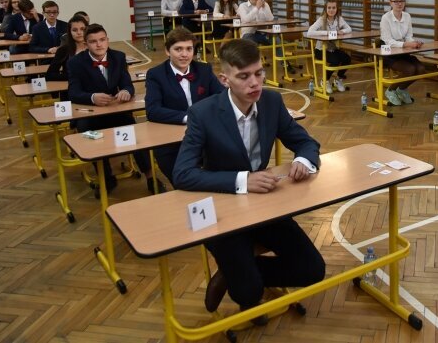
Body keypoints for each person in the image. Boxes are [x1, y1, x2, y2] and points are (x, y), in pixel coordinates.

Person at [172, 39, 325, 319]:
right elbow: (182, 174)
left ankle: (234, 273)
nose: (254, 83)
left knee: (314, 270)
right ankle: (242, 277)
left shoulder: (272, 102)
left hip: (264, 206)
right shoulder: (203, 114)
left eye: (259, 73)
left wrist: (303, 160)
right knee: (248, 294)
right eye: (243, 76)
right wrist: (243, 180)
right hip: (222, 210)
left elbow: (306, 143)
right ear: (225, 79)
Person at [67, 23, 155, 193]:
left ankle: (151, 176)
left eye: (102, 40)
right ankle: (106, 177)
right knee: (87, 134)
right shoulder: (75, 63)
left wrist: (125, 91)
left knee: (135, 133)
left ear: (108, 40)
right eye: (93, 41)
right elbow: (73, 92)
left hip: (116, 110)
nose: (99, 45)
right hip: (91, 114)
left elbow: (128, 84)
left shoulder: (118, 57)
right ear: (86, 44)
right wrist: (92, 97)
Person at [145, 27, 224, 185]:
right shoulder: (156, 74)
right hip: (171, 141)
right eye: (178, 49)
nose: (184, 54)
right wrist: (187, 118)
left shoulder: (204, 69)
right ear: (167, 51)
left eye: (189, 49)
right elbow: (153, 110)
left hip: (205, 136)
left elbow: (221, 98)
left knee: (221, 170)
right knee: (182, 179)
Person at [379, 0, 427, 106]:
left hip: (403, 52)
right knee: (409, 69)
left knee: (420, 69)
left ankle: (401, 89)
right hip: (389, 53)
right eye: (396, 1)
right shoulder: (386, 18)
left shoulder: (407, 16)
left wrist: (414, 42)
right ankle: (390, 90)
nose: (399, 4)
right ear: (390, 3)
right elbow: (388, 41)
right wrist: (406, 45)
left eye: (402, 1)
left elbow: (408, 36)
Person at [238, 0, 294, 73]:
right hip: (249, 34)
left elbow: (270, 18)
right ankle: (255, 68)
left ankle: (285, 63)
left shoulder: (264, 5)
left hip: (263, 33)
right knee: (251, 44)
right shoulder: (243, 6)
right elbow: (245, 19)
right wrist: (257, 8)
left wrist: (264, 8)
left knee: (276, 39)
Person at [308, 0, 352, 93]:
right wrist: (327, 33)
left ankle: (338, 79)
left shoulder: (339, 19)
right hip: (321, 50)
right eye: (329, 8)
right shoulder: (321, 20)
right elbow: (309, 32)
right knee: (335, 61)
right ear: (325, 9)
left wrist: (342, 31)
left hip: (333, 49)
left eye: (333, 8)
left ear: (337, 9)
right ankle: (325, 80)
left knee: (347, 59)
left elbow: (349, 29)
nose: (331, 10)